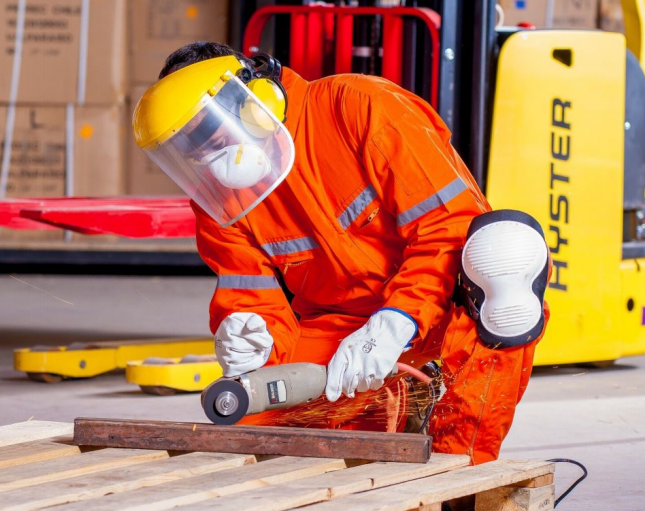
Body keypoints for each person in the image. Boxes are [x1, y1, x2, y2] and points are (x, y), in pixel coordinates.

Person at [133, 41, 551, 464]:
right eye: (188, 147)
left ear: (253, 100)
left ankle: (458, 469)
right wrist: (248, 334)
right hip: (344, 327)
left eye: (207, 132)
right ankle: (405, 397)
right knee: (247, 418)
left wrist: (397, 320)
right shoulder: (220, 200)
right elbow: (249, 291)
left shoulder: (361, 106)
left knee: (505, 259)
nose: (204, 156)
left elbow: (449, 229)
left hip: (444, 302)